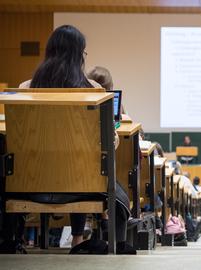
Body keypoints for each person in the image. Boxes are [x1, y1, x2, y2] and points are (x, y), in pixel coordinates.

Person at [15, 25, 134, 253]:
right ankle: (115, 245)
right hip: (82, 185)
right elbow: (112, 143)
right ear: (79, 55)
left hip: (31, 183)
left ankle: (12, 240)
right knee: (114, 192)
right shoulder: (94, 91)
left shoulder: (25, 89)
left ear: (49, 52)